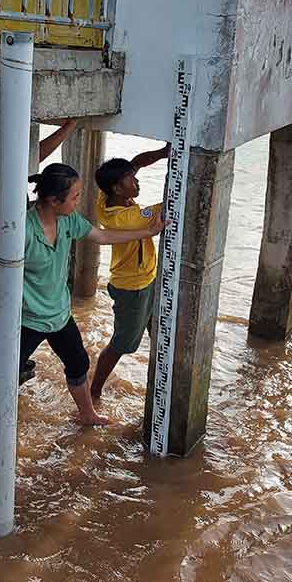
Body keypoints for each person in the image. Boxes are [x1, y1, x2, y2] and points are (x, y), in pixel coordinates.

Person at [21, 162, 165, 425]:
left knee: (78, 364)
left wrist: (149, 231)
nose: (78, 202)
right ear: (54, 200)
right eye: (75, 197)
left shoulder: (68, 220)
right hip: (26, 319)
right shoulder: (23, 230)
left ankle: (88, 414)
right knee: (6, 372)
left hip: (59, 314)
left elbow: (101, 236)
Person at [89, 144, 171, 401]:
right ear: (117, 188)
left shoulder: (106, 199)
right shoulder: (128, 218)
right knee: (122, 344)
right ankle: (94, 392)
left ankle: (159, 388)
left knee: (159, 331)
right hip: (133, 288)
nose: (136, 182)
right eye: (131, 180)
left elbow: (135, 161)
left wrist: (161, 153)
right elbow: (170, 204)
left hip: (147, 278)